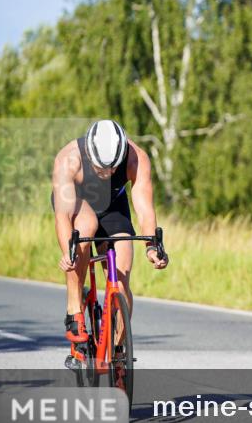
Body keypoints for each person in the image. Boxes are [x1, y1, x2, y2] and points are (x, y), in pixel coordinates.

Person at [51, 119, 168, 348]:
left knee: (122, 276)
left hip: (113, 204)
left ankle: (115, 350)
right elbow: (63, 216)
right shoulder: (68, 159)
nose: (108, 172)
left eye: (114, 167)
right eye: (102, 168)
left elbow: (144, 209)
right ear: (90, 154)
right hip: (77, 201)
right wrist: (69, 251)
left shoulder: (137, 158)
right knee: (86, 225)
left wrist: (152, 247)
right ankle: (74, 309)